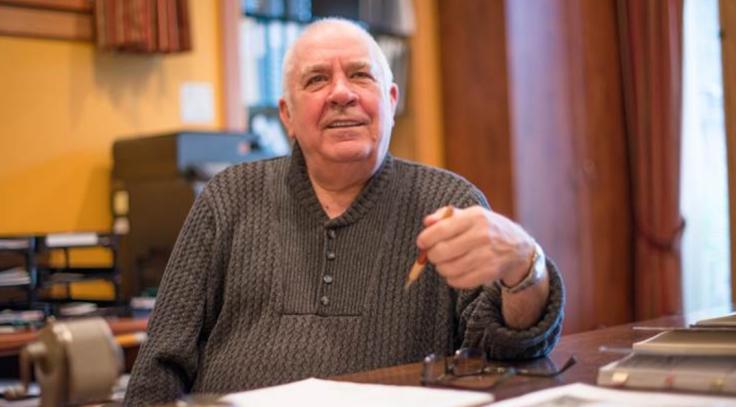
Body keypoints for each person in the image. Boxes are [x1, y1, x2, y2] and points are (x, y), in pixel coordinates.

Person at [124, 17, 564, 405]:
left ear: (391, 100)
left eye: (360, 75)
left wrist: (525, 262)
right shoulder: (227, 198)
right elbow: (157, 370)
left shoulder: (450, 202)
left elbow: (512, 353)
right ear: (287, 116)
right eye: (316, 80)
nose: (341, 94)